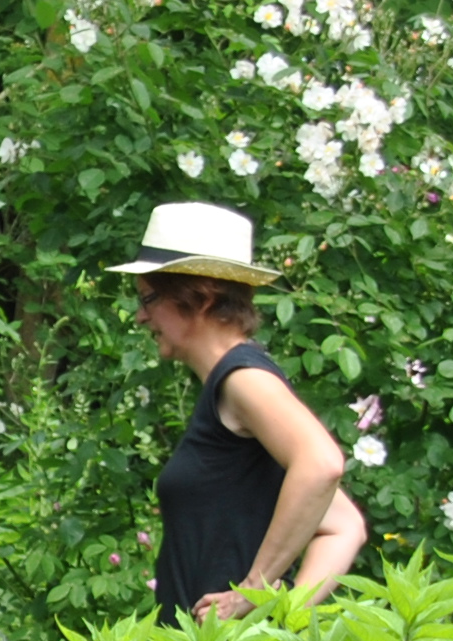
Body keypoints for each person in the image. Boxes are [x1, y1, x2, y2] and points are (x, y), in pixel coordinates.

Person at [112, 201, 367, 619]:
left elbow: (321, 464)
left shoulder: (243, 379)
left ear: (200, 296)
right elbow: (344, 526)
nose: (141, 316)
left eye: (149, 298)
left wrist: (254, 591)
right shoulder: (234, 383)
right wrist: (283, 616)